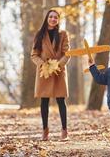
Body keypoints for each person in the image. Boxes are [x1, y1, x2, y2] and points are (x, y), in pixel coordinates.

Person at [31, 9, 70, 141]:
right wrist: (43, 65)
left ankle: (64, 131)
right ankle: (45, 130)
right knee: (44, 101)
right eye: (51, 17)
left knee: (61, 100)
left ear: (58, 20)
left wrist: (58, 65)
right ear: (47, 18)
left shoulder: (63, 34)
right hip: (45, 72)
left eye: (56, 17)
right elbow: (34, 55)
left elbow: (67, 53)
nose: (53, 19)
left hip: (59, 70)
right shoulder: (40, 34)